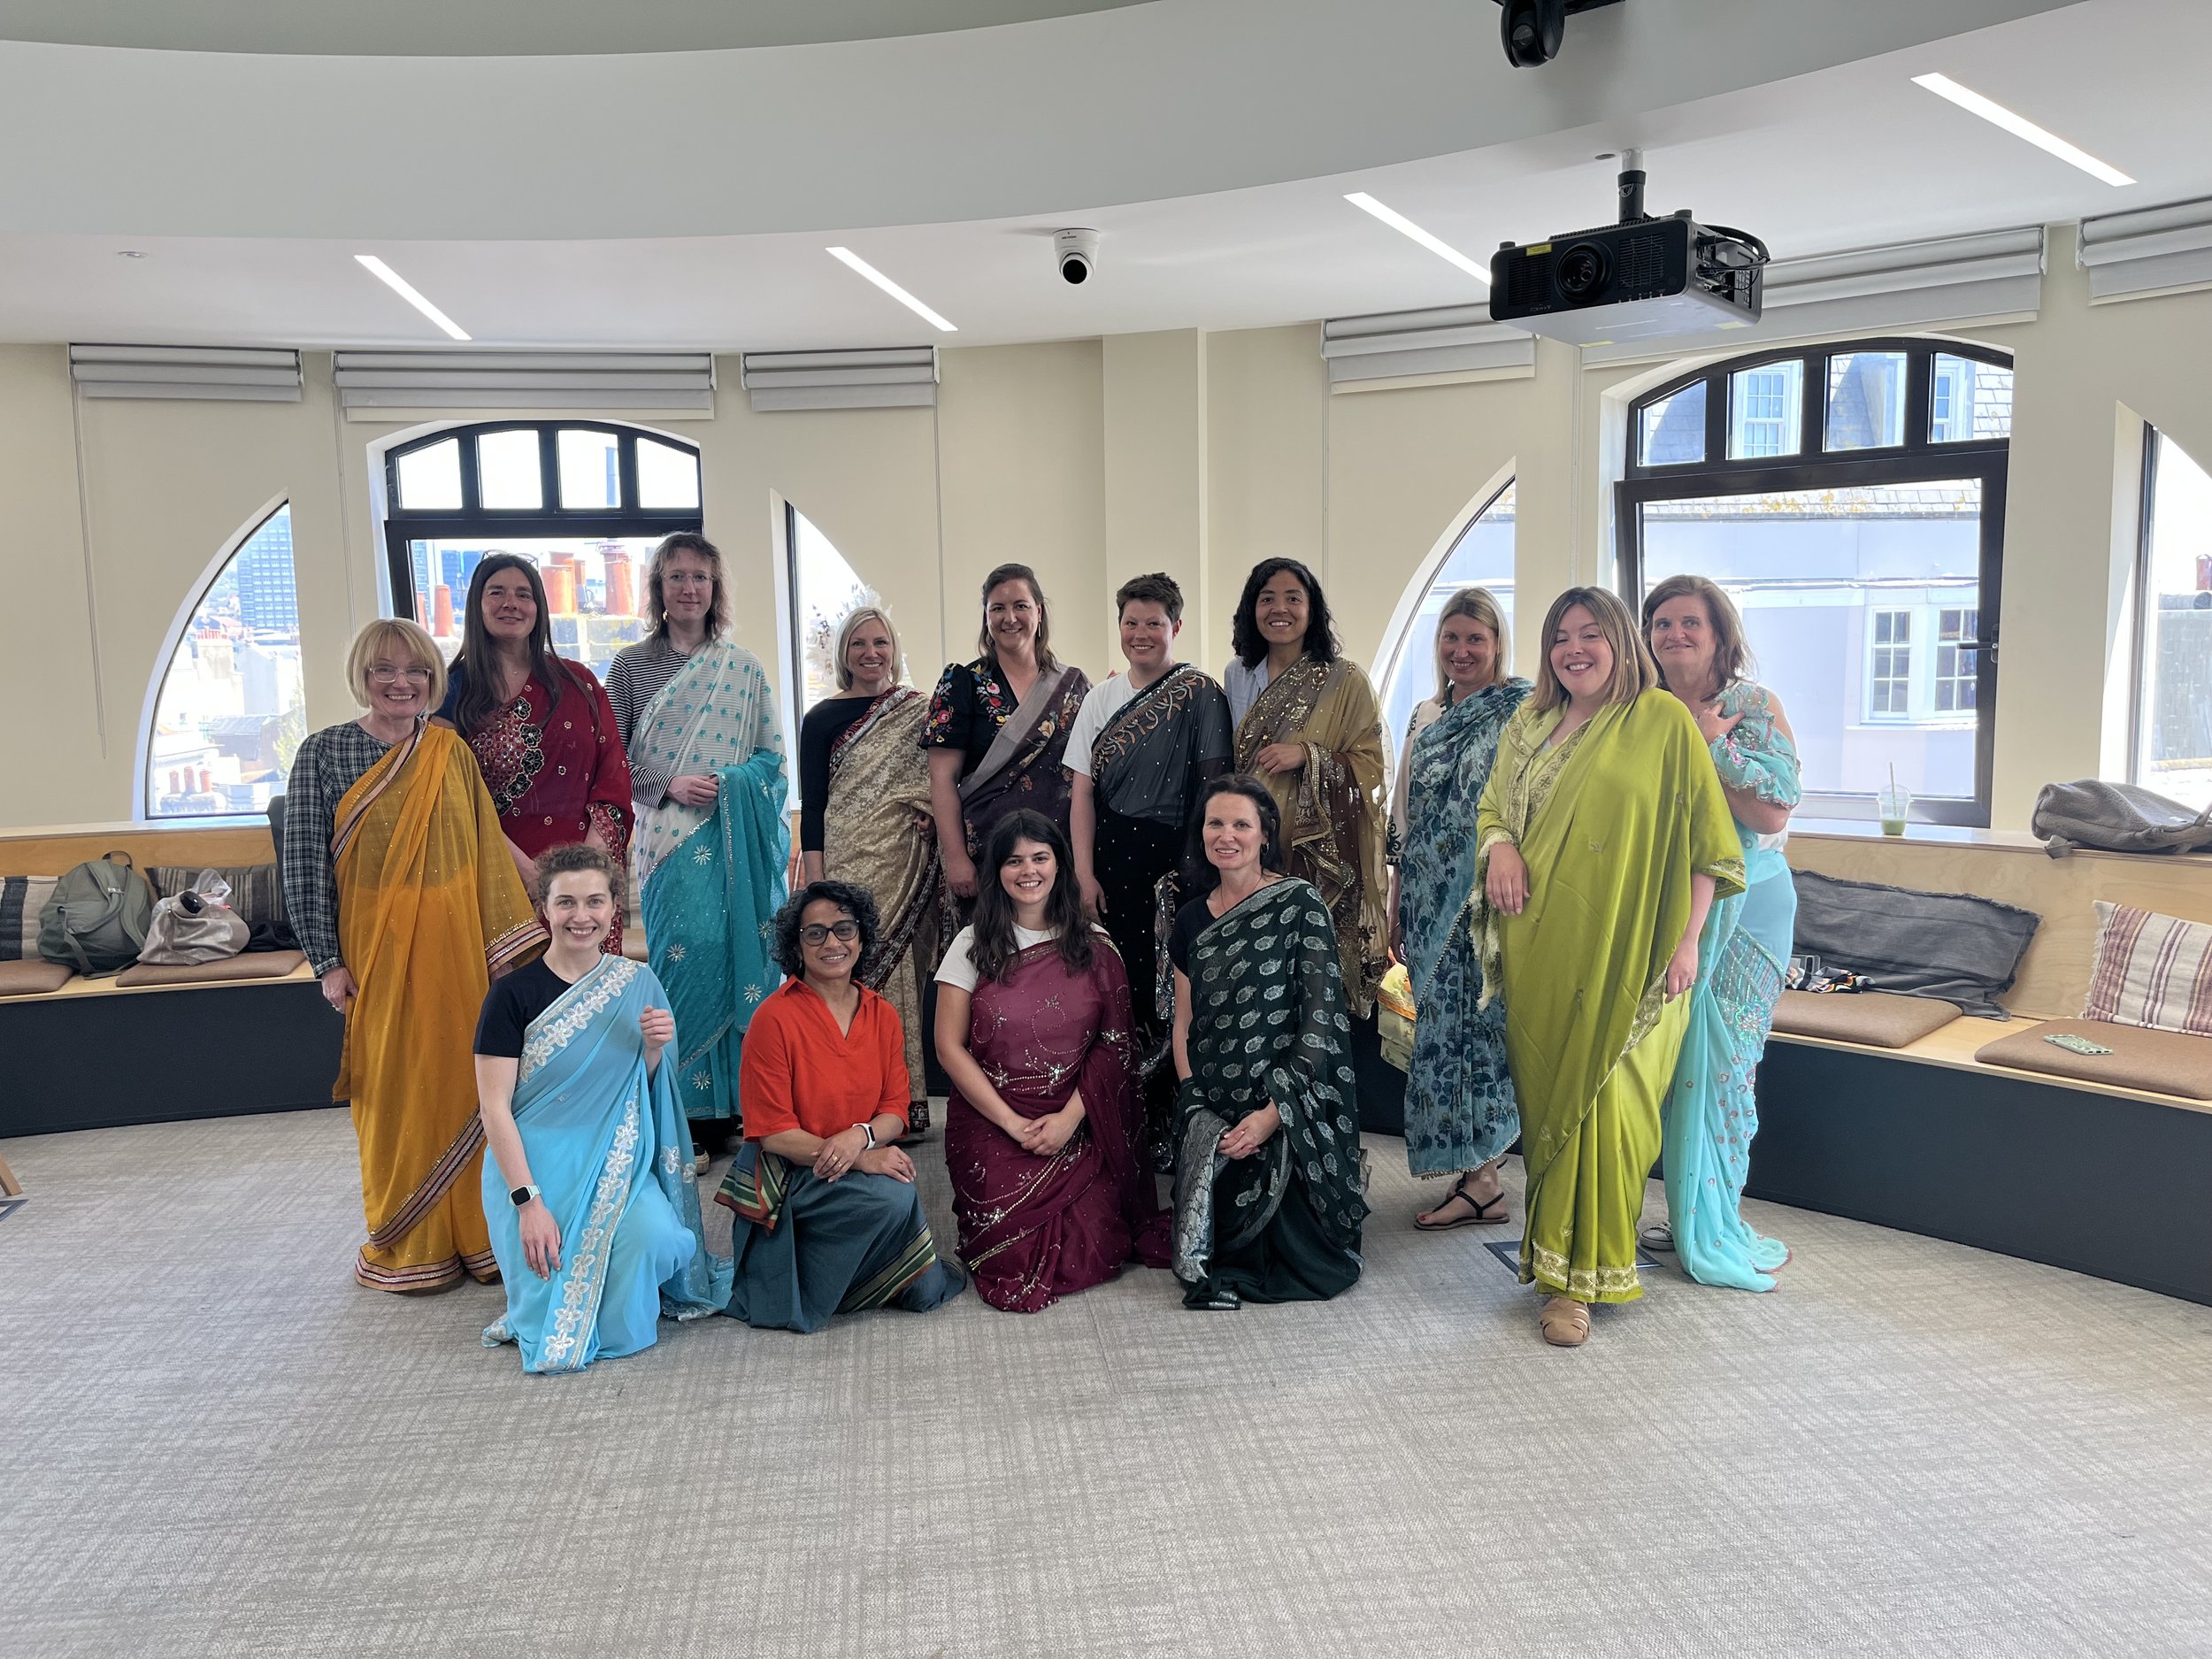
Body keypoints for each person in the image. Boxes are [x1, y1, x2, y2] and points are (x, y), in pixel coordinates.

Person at [1474, 587, 1743, 1348]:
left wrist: (1689, 939)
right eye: (1562, 636)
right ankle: (1559, 1266)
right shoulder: (1528, 723)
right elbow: (1494, 807)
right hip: (1542, 946)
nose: (1574, 648)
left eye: (1592, 634)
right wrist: (1499, 845)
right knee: (1555, 1106)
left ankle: (1581, 1283)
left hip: (1640, 950)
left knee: (1615, 1111)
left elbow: (1706, 841)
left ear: (1623, 641)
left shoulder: (1660, 721)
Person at [283, 618, 546, 1293]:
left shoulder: (448, 751)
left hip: (456, 951)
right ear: (362, 678)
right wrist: (327, 961)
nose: (401, 682)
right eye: (384, 670)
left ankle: (481, 1235)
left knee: (469, 1082)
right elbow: (306, 865)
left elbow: (482, 843)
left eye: (416, 671)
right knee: (395, 1089)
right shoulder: (324, 752)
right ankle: (408, 1240)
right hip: (375, 954)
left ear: (433, 679)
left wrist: (507, 940)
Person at [473, 845, 731, 1372]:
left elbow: (653, 1092)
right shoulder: (510, 996)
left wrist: (656, 1049)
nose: (581, 916)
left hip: (620, 1162)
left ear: (615, 908)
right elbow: (493, 1108)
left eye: (594, 901)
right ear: (544, 909)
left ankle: (616, 1292)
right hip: (535, 1167)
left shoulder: (638, 984)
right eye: (565, 902)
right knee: (553, 1285)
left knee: (658, 1240)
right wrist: (527, 1203)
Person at [934, 810, 1170, 1312]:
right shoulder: (970, 946)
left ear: (1060, 865)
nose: (1028, 871)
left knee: (1096, 1246)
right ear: (996, 871)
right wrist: (1012, 1123)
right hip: (991, 1117)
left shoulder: (1095, 946)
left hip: (1077, 1118)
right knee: (1010, 1263)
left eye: (1040, 858)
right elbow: (948, 1049)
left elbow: (1115, 1047)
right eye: (1014, 860)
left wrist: (1067, 1120)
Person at [1641, 574, 1800, 1291]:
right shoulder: (1640, 711)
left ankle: (1715, 1216)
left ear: (1718, 634)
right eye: (1662, 623)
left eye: (1689, 623)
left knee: (1728, 1067)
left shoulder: (1751, 707)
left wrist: (1712, 746)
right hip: (1671, 909)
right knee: (1675, 1070)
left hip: (1751, 906)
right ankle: (1682, 1210)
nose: (1675, 634)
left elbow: (1772, 815)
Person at [718, 882, 966, 1331]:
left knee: (926, 1287)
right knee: (894, 1196)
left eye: (844, 929)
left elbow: (895, 1109)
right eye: (816, 933)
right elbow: (773, 1132)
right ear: (796, 945)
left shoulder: (882, 1013)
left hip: (848, 1155)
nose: (832, 943)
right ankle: (827, 1282)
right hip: (792, 1176)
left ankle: (858, 1275)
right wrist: (863, 1159)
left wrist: (861, 1137)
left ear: (862, 937)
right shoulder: (772, 1019)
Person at [1167, 776, 1369, 1310]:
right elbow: (1183, 1023)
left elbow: (1320, 1020)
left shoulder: (1300, 904)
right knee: (1210, 1248)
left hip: (1285, 1094)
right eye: (1215, 823)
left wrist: (1273, 1113)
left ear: (1264, 835)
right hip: (1213, 1092)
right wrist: (1194, 1103)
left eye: (1241, 824)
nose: (1226, 835)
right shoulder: (1189, 918)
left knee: (1305, 1259)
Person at [620, 535, 787, 1163]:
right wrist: (669, 784)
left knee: (736, 956)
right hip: (667, 844)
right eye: (676, 577)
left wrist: (733, 784)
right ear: (658, 588)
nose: (689, 589)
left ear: (715, 590)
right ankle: (686, 1113)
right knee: (681, 959)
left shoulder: (742, 668)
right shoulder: (630, 667)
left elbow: (772, 758)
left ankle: (739, 1107)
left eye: (701, 578)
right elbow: (612, 765)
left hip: (730, 836)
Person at [1064, 572, 1233, 1152]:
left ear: (1176, 628)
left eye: (1153, 624)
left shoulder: (1201, 692)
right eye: (1130, 623)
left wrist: (1197, 869)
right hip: (1112, 861)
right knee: (1122, 986)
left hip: (1179, 860)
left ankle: (1172, 1119)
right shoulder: (1099, 699)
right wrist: (1083, 874)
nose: (1140, 634)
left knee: (1179, 987)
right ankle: (1121, 1115)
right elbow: (1081, 793)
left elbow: (1214, 787)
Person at [1386, 588, 1532, 1228]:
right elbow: (1404, 813)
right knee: (1438, 1036)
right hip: (1423, 896)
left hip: (1486, 902)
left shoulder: (1521, 711)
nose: (1463, 650)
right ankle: (1479, 1179)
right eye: (1452, 637)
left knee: (1483, 1036)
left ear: (1497, 643)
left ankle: (1485, 1176)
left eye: (1477, 638)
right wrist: (1394, 895)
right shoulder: (1423, 713)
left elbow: (1526, 804)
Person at [438, 553, 634, 953]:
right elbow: (449, 796)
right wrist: (526, 873)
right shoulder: (450, 692)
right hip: (491, 875)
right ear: (477, 604)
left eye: (523, 594)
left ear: (539, 609)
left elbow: (612, 777)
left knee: (584, 1003)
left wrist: (586, 867)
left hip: (581, 879)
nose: (510, 603)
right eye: (497, 592)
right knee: (509, 1004)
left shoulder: (578, 682)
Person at [1226, 557, 1390, 1019]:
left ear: (1312, 610)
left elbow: (1373, 768)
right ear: (1251, 609)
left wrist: (1309, 756)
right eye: (1267, 598)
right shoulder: (1238, 675)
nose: (1280, 609)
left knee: (1310, 974)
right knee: (1258, 975)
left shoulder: (1345, 680)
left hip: (1315, 851)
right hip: (1252, 845)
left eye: (1293, 598)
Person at [800, 600, 940, 1132]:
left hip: (901, 860)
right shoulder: (821, 718)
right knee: (844, 978)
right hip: (844, 859)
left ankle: (901, 1108)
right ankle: (847, 1105)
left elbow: (939, 780)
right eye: (859, 643)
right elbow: (813, 806)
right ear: (843, 653)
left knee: (897, 978)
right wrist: (816, 885)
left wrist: (930, 817)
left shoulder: (916, 710)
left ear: (894, 650)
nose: (870, 653)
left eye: (880, 642)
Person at [924, 563, 1090, 916]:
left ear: (1039, 612)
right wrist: (955, 858)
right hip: (988, 857)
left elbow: (1087, 774)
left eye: (1021, 606)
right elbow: (942, 778)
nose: (1009, 617)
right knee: (994, 959)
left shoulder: (1073, 686)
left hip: (1057, 856)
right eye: (997, 608)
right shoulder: (962, 683)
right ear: (986, 617)